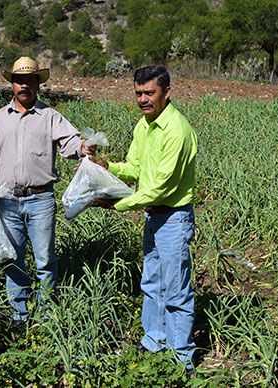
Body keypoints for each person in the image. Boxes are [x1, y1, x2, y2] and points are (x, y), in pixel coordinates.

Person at [90, 66, 198, 371]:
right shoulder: (145, 125)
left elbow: (159, 188)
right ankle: (154, 341)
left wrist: (115, 204)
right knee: (152, 281)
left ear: (167, 93)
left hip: (173, 217)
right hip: (154, 216)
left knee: (176, 289)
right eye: (138, 93)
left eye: (149, 93)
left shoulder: (177, 131)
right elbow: (136, 166)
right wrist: (107, 165)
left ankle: (182, 360)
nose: (142, 99)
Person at [0, 56, 92, 323]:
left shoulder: (50, 116)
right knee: (13, 259)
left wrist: (83, 149)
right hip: (6, 199)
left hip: (40, 199)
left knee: (44, 260)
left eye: (29, 80)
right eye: (19, 80)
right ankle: (19, 314)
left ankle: (45, 315)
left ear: (37, 84)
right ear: (12, 85)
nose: (24, 85)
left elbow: (70, 142)